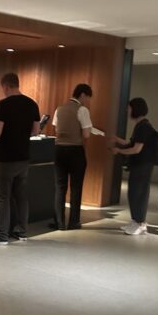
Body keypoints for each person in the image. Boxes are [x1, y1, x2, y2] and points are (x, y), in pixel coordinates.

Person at [0, 72, 41, 244]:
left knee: (2, 198)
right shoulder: (32, 104)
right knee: (21, 197)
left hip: (5, 158)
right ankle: (22, 232)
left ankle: (2, 235)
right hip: (23, 158)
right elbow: (36, 131)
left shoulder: (2, 105)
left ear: (5, 86)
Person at [109, 97, 157, 236]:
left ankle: (141, 223)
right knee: (134, 193)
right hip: (139, 165)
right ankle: (135, 221)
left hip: (143, 166)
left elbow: (136, 149)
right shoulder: (141, 125)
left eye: (129, 108)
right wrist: (118, 140)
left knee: (139, 194)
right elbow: (131, 143)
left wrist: (118, 151)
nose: (127, 110)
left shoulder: (143, 126)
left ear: (135, 109)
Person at [51, 83, 93, 230]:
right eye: (87, 98)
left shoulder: (59, 109)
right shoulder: (82, 110)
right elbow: (87, 134)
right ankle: (74, 221)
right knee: (76, 187)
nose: (87, 101)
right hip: (75, 151)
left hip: (58, 150)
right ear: (82, 94)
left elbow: (56, 129)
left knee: (59, 187)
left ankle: (59, 222)